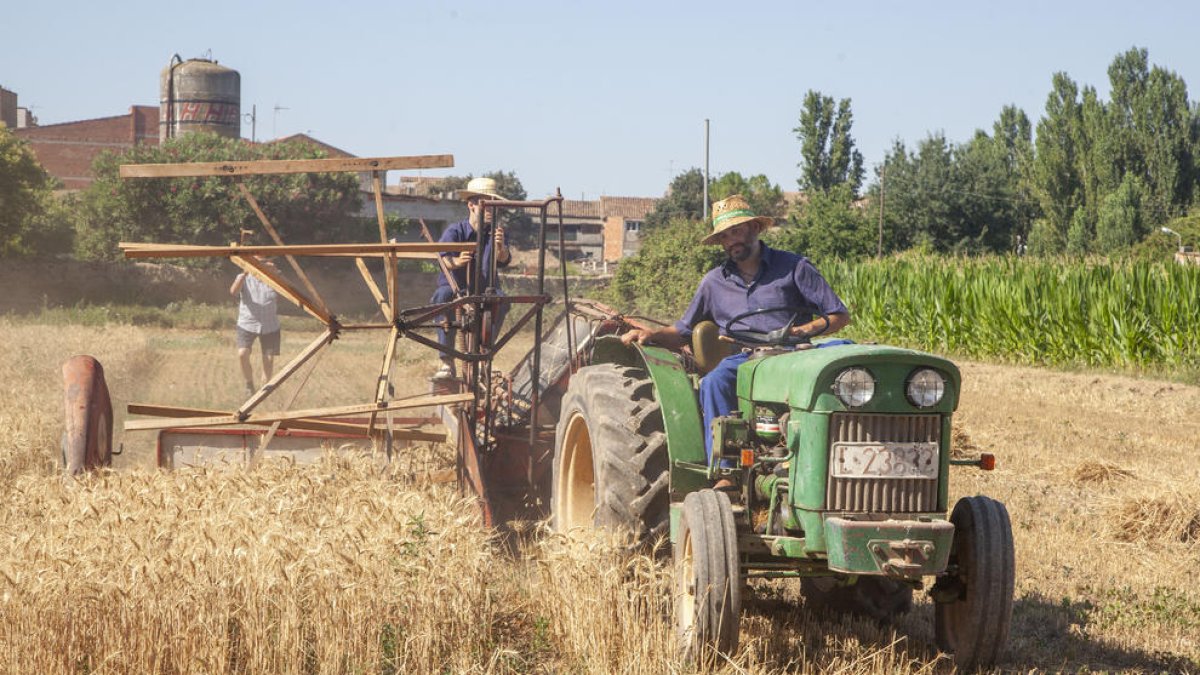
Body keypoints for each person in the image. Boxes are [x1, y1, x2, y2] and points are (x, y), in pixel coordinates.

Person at [621, 194, 851, 472]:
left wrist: (801, 330)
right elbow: (683, 332)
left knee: (848, 361)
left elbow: (839, 315)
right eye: (725, 237)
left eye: (736, 231)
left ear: (755, 228)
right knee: (714, 382)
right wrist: (652, 335)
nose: (731, 241)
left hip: (794, 353)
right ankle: (725, 471)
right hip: (745, 358)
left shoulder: (794, 267)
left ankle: (843, 455)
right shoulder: (713, 282)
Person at [430, 176, 513, 378]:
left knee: (501, 301)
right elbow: (442, 258)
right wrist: (457, 262)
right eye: (486, 205)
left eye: (494, 206)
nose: (491, 210)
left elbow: (504, 259)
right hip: (457, 288)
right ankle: (447, 362)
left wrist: (500, 248)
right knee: (442, 297)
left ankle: (484, 357)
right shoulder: (455, 231)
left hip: (485, 288)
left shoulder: (497, 233)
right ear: (471, 205)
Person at [230, 259, 281, 396]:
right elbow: (233, 292)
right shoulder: (243, 277)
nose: (260, 266)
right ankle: (249, 384)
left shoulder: (274, 277)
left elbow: (287, 289)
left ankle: (262, 393)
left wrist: (274, 271)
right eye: (257, 264)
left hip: (270, 324)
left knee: (268, 360)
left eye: (263, 263)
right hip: (247, 323)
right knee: (242, 354)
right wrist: (245, 273)